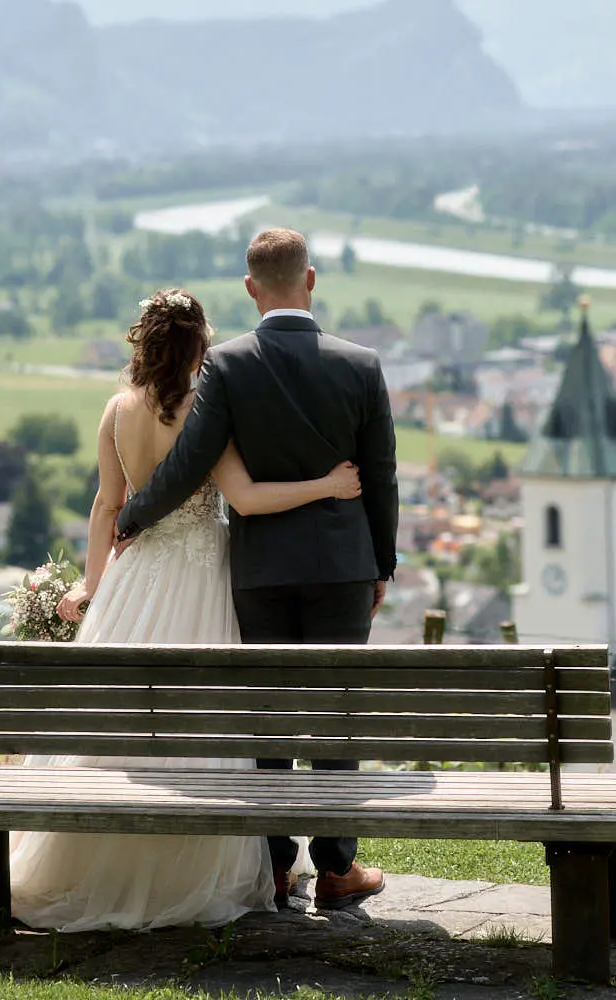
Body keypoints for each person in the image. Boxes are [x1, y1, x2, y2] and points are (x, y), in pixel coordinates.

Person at [0, 286, 364, 933]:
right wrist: (328, 484)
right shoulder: (209, 408)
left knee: (119, 723)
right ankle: (210, 871)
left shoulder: (119, 408)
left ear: (143, 341)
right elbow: (242, 496)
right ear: (199, 345)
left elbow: (106, 506)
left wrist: (94, 589)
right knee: (205, 723)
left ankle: (95, 863)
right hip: (205, 579)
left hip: (135, 582)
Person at [113, 228, 399, 912]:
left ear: (250, 288)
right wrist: (380, 564)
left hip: (261, 570)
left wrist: (131, 518)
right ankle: (336, 870)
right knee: (335, 717)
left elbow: (187, 466)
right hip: (340, 570)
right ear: (310, 279)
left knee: (269, 719)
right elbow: (382, 479)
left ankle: (275, 868)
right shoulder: (361, 364)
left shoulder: (230, 365)